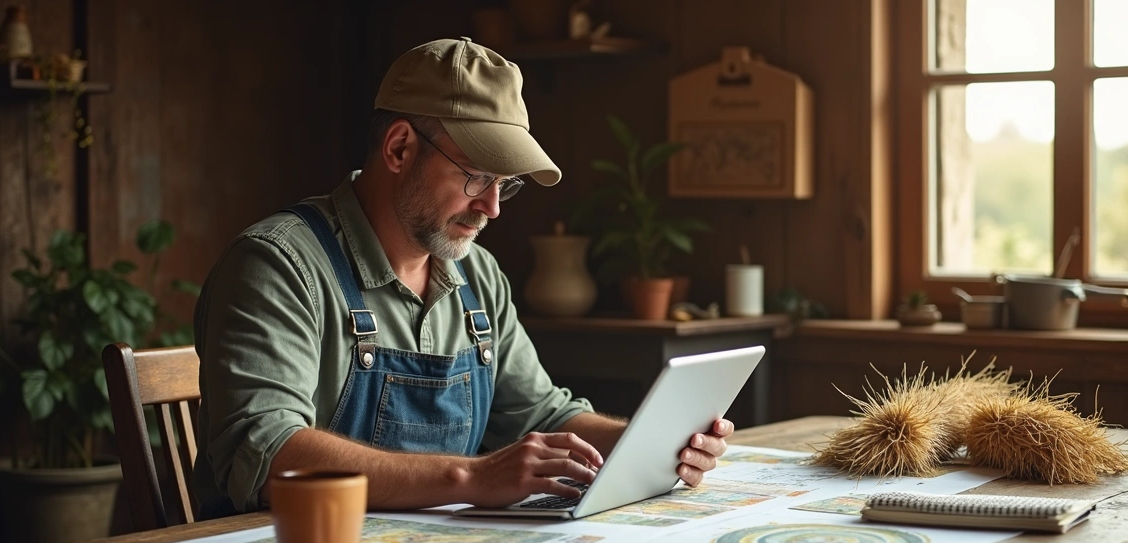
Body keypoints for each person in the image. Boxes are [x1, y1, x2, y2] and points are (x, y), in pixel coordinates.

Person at [192, 37, 734, 518]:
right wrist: (471, 478)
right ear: (399, 148)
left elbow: (541, 414)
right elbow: (267, 450)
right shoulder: (277, 265)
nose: (493, 208)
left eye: (506, 184)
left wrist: (650, 443)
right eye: (477, 177)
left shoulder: (477, 274)